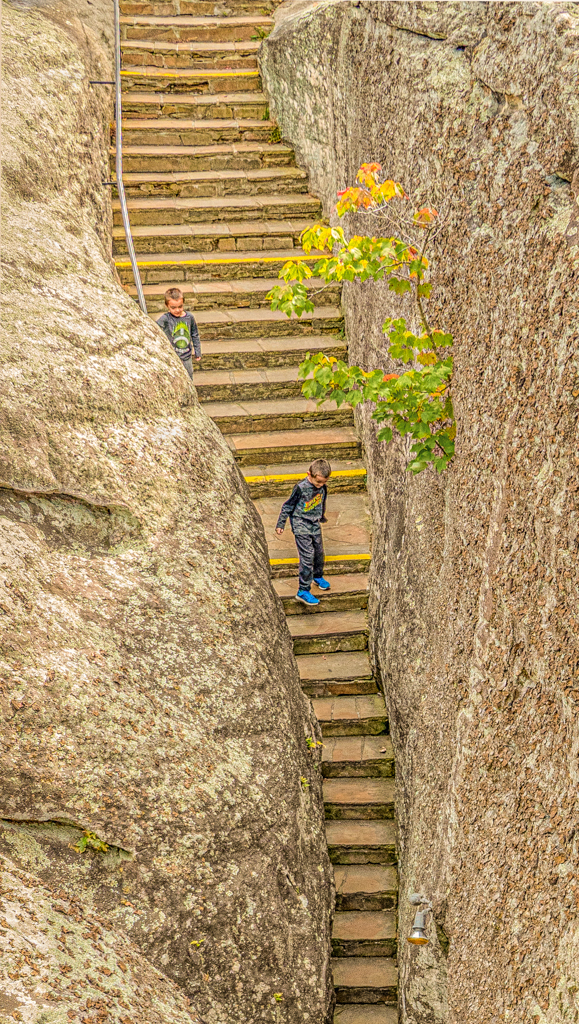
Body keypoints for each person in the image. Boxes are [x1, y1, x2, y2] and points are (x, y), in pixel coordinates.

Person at [275, 459, 332, 606]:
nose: (320, 485)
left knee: (319, 552)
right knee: (307, 556)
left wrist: (321, 516)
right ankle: (303, 590)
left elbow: (322, 501)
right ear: (309, 474)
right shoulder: (301, 487)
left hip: (314, 522)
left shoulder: (322, 487)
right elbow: (288, 506)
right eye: (318, 482)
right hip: (300, 523)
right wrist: (281, 523)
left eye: (323, 482)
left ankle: (317, 576)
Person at [156, 287, 201, 378]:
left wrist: (197, 351)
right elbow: (155, 329)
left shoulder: (189, 317)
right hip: (172, 356)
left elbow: (194, 334)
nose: (177, 310)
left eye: (180, 306)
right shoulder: (165, 318)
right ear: (167, 306)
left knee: (188, 376)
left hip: (186, 356)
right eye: (173, 308)